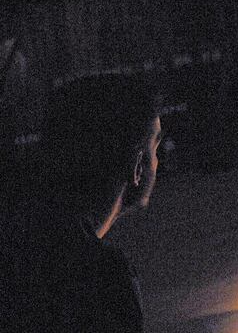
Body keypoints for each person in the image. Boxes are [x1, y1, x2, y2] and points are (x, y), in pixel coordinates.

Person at [0, 75, 162, 332]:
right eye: (155, 147)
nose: (158, 161)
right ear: (137, 168)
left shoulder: (18, 246)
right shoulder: (103, 279)